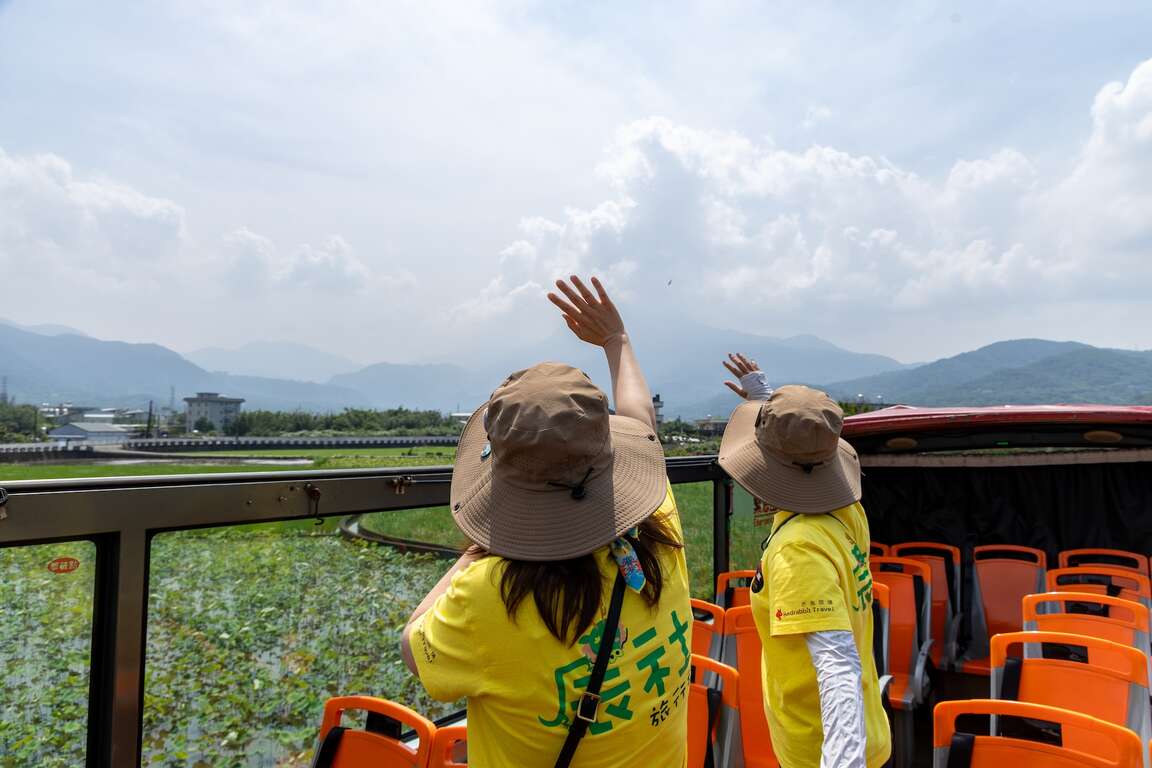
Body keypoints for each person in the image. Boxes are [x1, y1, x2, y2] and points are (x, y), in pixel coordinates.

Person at [401, 276, 692, 767]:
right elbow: (643, 426)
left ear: (502, 485)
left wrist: (485, 541)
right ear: (608, 462)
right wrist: (616, 340)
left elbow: (414, 645)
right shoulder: (654, 529)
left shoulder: (487, 593)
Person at [719, 353, 891, 768]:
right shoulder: (845, 509)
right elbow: (801, 443)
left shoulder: (797, 550)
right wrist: (764, 396)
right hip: (872, 731)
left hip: (821, 749)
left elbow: (836, 670)